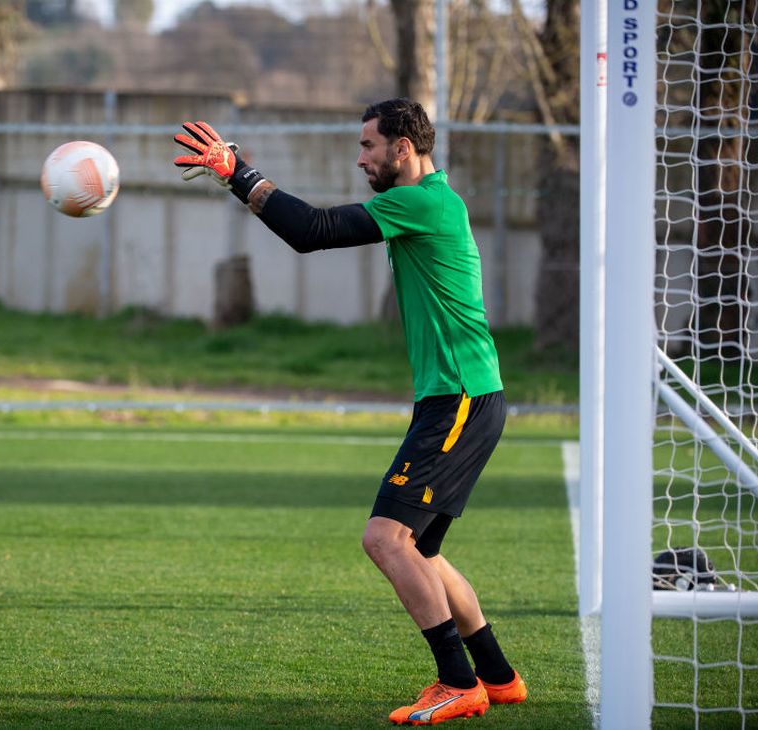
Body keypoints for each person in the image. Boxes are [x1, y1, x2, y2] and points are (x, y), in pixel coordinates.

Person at [172, 98, 527, 726]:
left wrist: (236, 170)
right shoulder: (431, 201)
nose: (360, 156)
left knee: (385, 539)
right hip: (463, 398)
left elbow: (313, 231)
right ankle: (497, 676)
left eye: (369, 146)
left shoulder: (424, 201)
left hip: (460, 400)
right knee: (419, 550)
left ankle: (456, 682)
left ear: (403, 148)